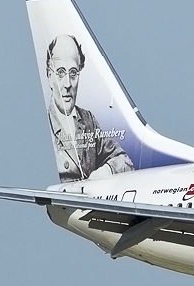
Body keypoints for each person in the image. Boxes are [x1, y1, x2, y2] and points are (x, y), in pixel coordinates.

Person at [45, 35, 134, 182]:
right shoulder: (45, 124)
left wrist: (106, 171)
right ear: (49, 76)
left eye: (73, 73)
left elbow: (124, 160)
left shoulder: (87, 120)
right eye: (60, 72)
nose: (68, 84)